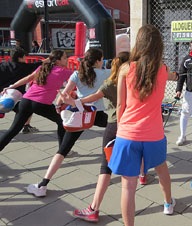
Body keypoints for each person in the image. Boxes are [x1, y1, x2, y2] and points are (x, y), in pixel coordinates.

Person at [108, 24, 178, 226]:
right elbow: (172, 75)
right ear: (159, 46)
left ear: (138, 44)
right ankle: (167, 203)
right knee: (162, 168)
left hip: (128, 133)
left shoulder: (126, 68)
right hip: (154, 134)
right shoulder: (163, 70)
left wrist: (122, 129)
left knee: (128, 187)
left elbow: (120, 104)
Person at [57, 51, 130, 222]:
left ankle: (93, 208)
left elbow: (91, 98)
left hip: (115, 124)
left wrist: (72, 102)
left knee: (106, 166)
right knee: (137, 154)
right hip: (135, 125)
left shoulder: (110, 83)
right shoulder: (138, 82)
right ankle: (145, 176)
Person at [26, 48, 110, 197]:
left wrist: (58, 106)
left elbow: (64, 94)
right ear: (97, 61)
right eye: (101, 59)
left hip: (79, 114)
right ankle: (140, 169)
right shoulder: (105, 73)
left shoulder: (77, 73)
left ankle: (43, 185)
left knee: (62, 151)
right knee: (120, 130)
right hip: (97, 114)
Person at [0, 49, 72, 152]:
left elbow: (28, 78)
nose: (67, 60)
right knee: (62, 122)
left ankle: (64, 151)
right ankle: (63, 151)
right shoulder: (63, 71)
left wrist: (11, 86)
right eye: (65, 58)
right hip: (40, 103)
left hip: (25, 101)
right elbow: (81, 76)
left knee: (13, 131)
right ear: (57, 61)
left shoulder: (42, 68)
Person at [0, 47, 44, 133]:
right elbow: (38, 63)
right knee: (27, 109)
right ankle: (26, 126)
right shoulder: (24, 67)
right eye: (24, 57)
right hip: (18, 95)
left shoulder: (3, 65)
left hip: (2, 94)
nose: (25, 58)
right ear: (20, 58)